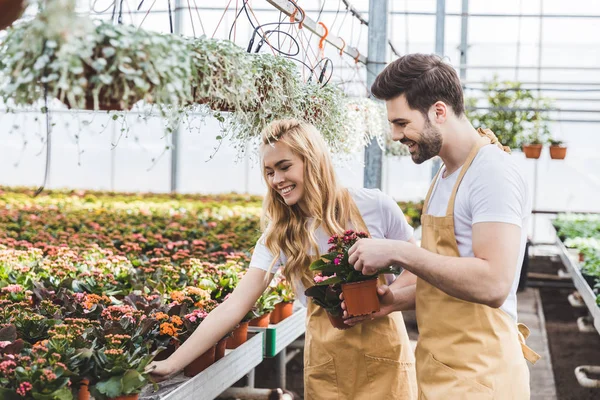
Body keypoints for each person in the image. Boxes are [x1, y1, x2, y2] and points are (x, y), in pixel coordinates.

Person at [148, 119, 418, 399]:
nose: (276, 180)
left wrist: (384, 299)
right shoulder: (278, 235)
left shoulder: (373, 205)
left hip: (385, 360)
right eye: (269, 172)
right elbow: (235, 306)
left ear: (312, 161)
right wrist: (172, 363)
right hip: (329, 366)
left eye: (285, 167)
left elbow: (417, 268)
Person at [347, 53, 540, 399]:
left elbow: (493, 283)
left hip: (481, 378)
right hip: (444, 373)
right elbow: (448, 281)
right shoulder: (445, 175)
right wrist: (394, 299)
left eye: (402, 123)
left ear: (438, 111)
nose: (395, 135)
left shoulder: (490, 172)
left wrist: (399, 251)